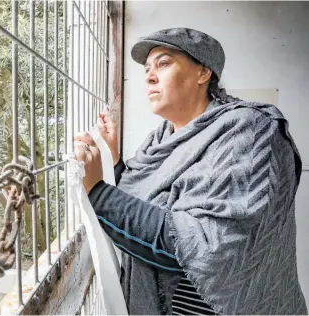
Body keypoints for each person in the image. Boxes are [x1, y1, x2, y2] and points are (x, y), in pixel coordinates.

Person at [74, 28, 307, 315]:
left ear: (203, 72)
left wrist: (97, 191)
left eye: (163, 63)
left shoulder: (250, 130)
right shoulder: (158, 142)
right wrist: (114, 163)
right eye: (147, 68)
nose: (149, 76)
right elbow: (144, 207)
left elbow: (197, 244)